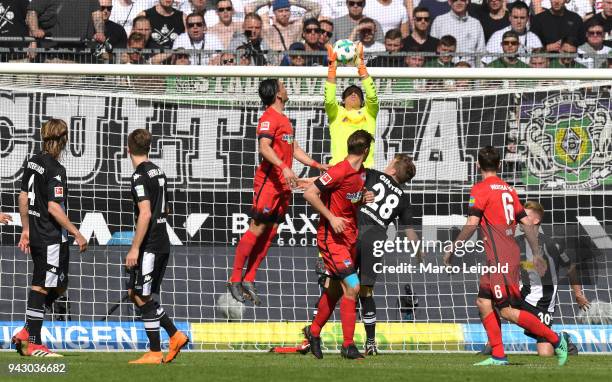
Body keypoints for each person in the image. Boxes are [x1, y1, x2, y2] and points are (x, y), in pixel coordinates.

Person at [444, 146, 569, 366]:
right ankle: (499, 356)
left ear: (477, 165)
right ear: (499, 165)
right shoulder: (509, 190)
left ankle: (556, 340)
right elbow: (526, 222)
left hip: (501, 258)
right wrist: (537, 253)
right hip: (501, 255)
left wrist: (454, 247)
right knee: (483, 301)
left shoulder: (480, 189)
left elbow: (472, 223)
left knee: (507, 311)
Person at [227, 79, 326, 305]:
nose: (286, 88)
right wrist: (283, 166)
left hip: (284, 185)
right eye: (283, 86)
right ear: (277, 94)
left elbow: (293, 147)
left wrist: (315, 164)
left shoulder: (284, 120)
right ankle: (234, 279)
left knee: (271, 231)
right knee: (258, 226)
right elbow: (264, 147)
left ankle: (249, 278)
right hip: (269, 183)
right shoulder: (268, 118)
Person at [12, 119, 88, 358]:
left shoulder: (32, 162)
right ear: (64, 140)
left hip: (37, 234)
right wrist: (76, 232)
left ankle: (27, 330)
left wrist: (26, 229)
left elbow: (23, 197)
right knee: (42, 285)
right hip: (50, 237)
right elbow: (55, 208)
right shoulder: (56, 170)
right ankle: (34, 342)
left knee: (59, 284)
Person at [302, 130, 375, 360]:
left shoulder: (361, 173)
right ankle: (348, 345)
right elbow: (309, 193)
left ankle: (313, 332)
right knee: (353, 287)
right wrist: (331, 218)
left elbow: (351, 197)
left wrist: (363, 198)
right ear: (365, 150)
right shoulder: (338, 170)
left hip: (349, 237)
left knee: (334, 291)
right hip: (331, 238)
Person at [125, 128, 189, 364]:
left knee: (141, 295)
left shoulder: (139, 176)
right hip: (162, 240)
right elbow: (166, 209)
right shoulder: (158, 172)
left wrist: (134, 248)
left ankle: (157, 348)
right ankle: (174, 336)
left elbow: (145, 213)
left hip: (150, 244)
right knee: (135, 293)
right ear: (149, 147)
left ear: (127, 149)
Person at [356, 154, 419, 355]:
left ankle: (320, 333)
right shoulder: (403, 199)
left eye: (390, 162)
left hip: (356, 233)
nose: (388, 164)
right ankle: (371, 343)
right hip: (375, 240)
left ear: (392, 169)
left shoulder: (372, 175)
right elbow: (410, 233)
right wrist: (418, 252)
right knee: (366, 292)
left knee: (338, 285)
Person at [518, 201, 589, 356]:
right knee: (492, 301)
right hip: (521, 295)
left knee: (545, 354)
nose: (519, 218)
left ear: (535, 220)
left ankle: (561, 338)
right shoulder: (515, 242)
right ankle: (493, 347)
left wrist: (578, 294)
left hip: (543, 303)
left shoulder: (552, 245)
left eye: (524, 216)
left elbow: (570, 268)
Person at [325, 42, 379, 168]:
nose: (354, 94)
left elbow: (372, 97)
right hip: (338, 168)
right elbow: (329, 100)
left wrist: (361, 67)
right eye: (349, 93)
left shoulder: (369, 112)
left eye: (358, 93)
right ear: (343, 100)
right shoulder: (337, 113)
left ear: (363, 101)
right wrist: (332, 69)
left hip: (364, 169)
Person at [247, 0, 321, 52]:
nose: (284, 14)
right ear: (274, 13)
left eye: (287, 10)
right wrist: (267, 1)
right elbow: (248, 8)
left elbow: (317, 7)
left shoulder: (296, 27)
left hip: (291, 65)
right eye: (280, 11)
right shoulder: (267, 28)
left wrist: (294, 2)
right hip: (273, 65)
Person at [484, 1, 542, 65]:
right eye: (515, 17)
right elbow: (486, 63)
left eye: (522, 18)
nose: (519, 21)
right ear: (510, 17)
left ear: (528, 19)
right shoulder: (497, 36)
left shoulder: (534, 39)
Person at [430, 0, 485, 65]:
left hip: (469, 71)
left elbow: (481, 53)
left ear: (467, 1)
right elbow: (433, 50)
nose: (459, 2)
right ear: (449, 2)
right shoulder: (439, 21)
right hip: (445, 70)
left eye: (462, 0)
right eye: (455, 0)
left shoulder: (475, 24)